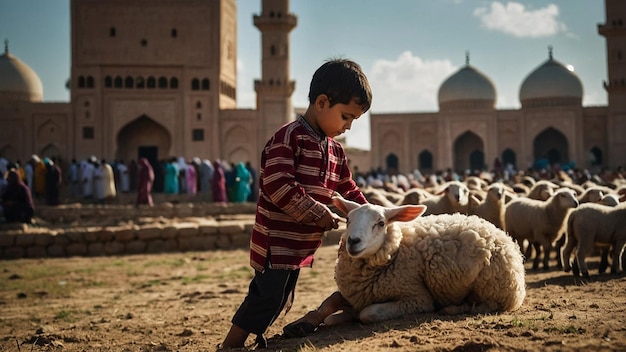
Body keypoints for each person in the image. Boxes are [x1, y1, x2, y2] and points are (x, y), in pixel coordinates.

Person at [219, 58, 372, 350]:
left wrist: (370, 212)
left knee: (280, 296)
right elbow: (277, 185)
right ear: (322, 102)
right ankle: (230, 345)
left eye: (353, 120)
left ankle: (252, 340)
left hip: (298, 245)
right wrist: (318, 214)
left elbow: (346, 188)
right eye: (346, 116)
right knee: (265, 296)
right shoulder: (289, 138)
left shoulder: (336, 151)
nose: (348, 127)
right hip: (276, 243)